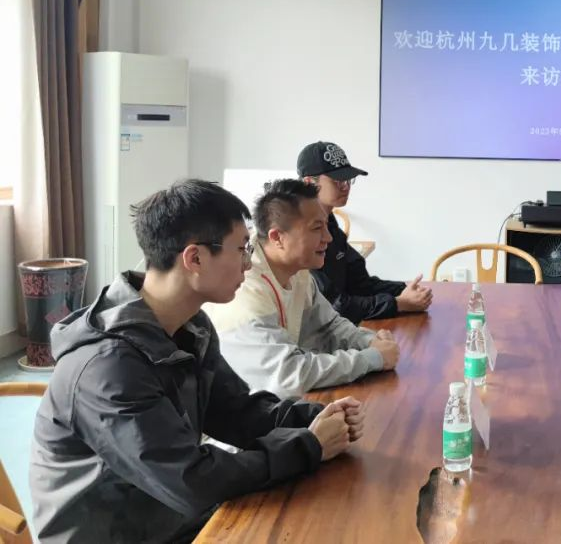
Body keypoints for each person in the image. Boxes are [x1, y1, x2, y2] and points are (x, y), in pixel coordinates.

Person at [30, 180, 363, 544]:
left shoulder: (190, 326)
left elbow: (234, 411)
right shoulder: (108, 366)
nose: (249, 263)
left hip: (166, 519)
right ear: (195, 259)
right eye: (242, 249)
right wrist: (308, 446)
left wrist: (313, 416)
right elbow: (192, 481)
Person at [204, 178, 400, 399]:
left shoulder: (297, 269)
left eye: (326, 226)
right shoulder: (243, 288)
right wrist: (372, 358)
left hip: (282, 407)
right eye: (317, 228)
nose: (328, 237)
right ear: (277, 237)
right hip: (248, 412)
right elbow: (288, 374)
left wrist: (369, 341)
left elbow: (329, 325)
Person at [297, 140, 432, 321]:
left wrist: (405, 289)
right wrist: (398, 303)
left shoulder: (331, 224)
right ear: (309, 183)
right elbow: (335, 305)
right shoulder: (300, 236)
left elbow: (360, 284)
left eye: (348, 179)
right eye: (337, 180)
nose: (345, 186)